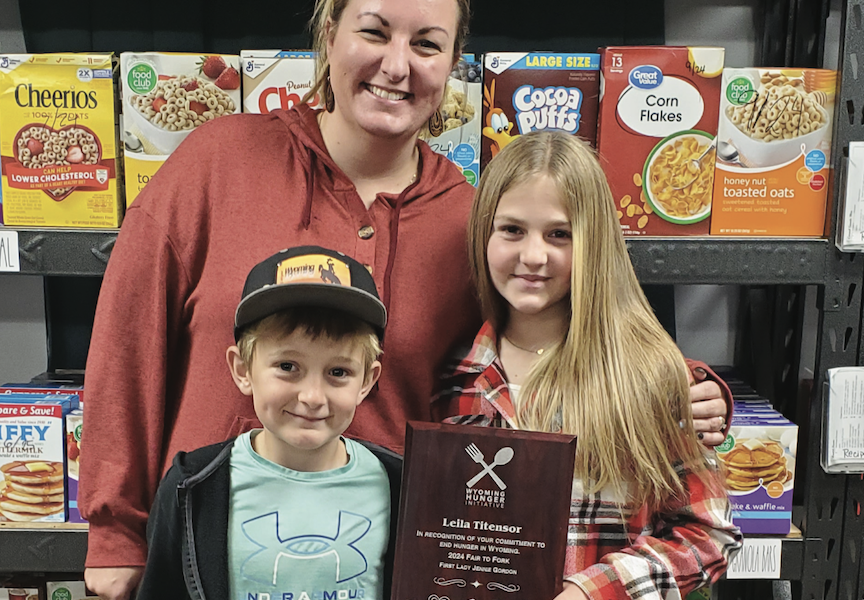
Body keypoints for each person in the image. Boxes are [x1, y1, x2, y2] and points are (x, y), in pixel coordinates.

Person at [80, 0, 730, 597]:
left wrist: (682, 388)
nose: (397, 65)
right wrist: (115, 529)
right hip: (216, 556)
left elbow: (548, 333)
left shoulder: (471, 222)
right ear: (329, 32)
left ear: (452, 63)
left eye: (426, 43)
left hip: (389, 565)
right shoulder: (216, 163)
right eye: (374, 31)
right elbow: (127, 343)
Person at [433, 130, 742, 600]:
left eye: (559, 234)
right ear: (483, 234)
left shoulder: (648, 376)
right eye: (512, 230)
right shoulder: (454, 378)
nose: (533, 256)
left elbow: (708, 533)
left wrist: (592, 592)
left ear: (593, 242)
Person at [137, 246, 401, 600]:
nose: (312, 396)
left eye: (338, 372)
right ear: (243, 370)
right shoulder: (192, 486)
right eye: (287, 367)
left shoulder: (403, 488)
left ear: (367, 381)